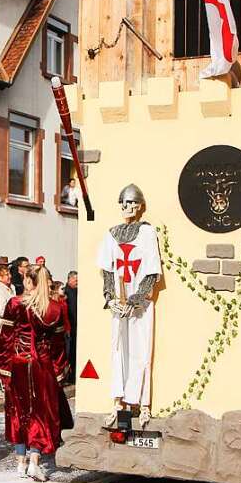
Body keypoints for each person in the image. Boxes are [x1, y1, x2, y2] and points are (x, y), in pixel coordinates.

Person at [0, 265, 71, 482]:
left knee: (18, 411)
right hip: (42, 364)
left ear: (28, 281)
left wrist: (1, 367)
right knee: (40, 412)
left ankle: (20, 463)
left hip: (18, 361)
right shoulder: (55, 308)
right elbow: (58, 346)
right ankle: (35, 461)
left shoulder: (15, 303)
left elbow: (5, 338)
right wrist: (60, 371)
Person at [97, 184, 162, 429]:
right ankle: (118, 402)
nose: (127, 208)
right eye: (124, 203)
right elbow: (107, 269)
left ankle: (143, 404)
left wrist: (135, 300)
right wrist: (111, 297)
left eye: (132, 203)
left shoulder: (147, 233)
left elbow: (151, 272)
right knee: (118, 351)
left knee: (141, 351)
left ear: (140, 206)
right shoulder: (111, 234)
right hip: (118, 305)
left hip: (140, 305)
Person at [65, 271, 79, 383]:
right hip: (70, 327)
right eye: (75, 280)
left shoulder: (77, 291)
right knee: (69, 354)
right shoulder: (66, 292)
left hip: (76, 326)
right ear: (69, 279)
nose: (77, 282)